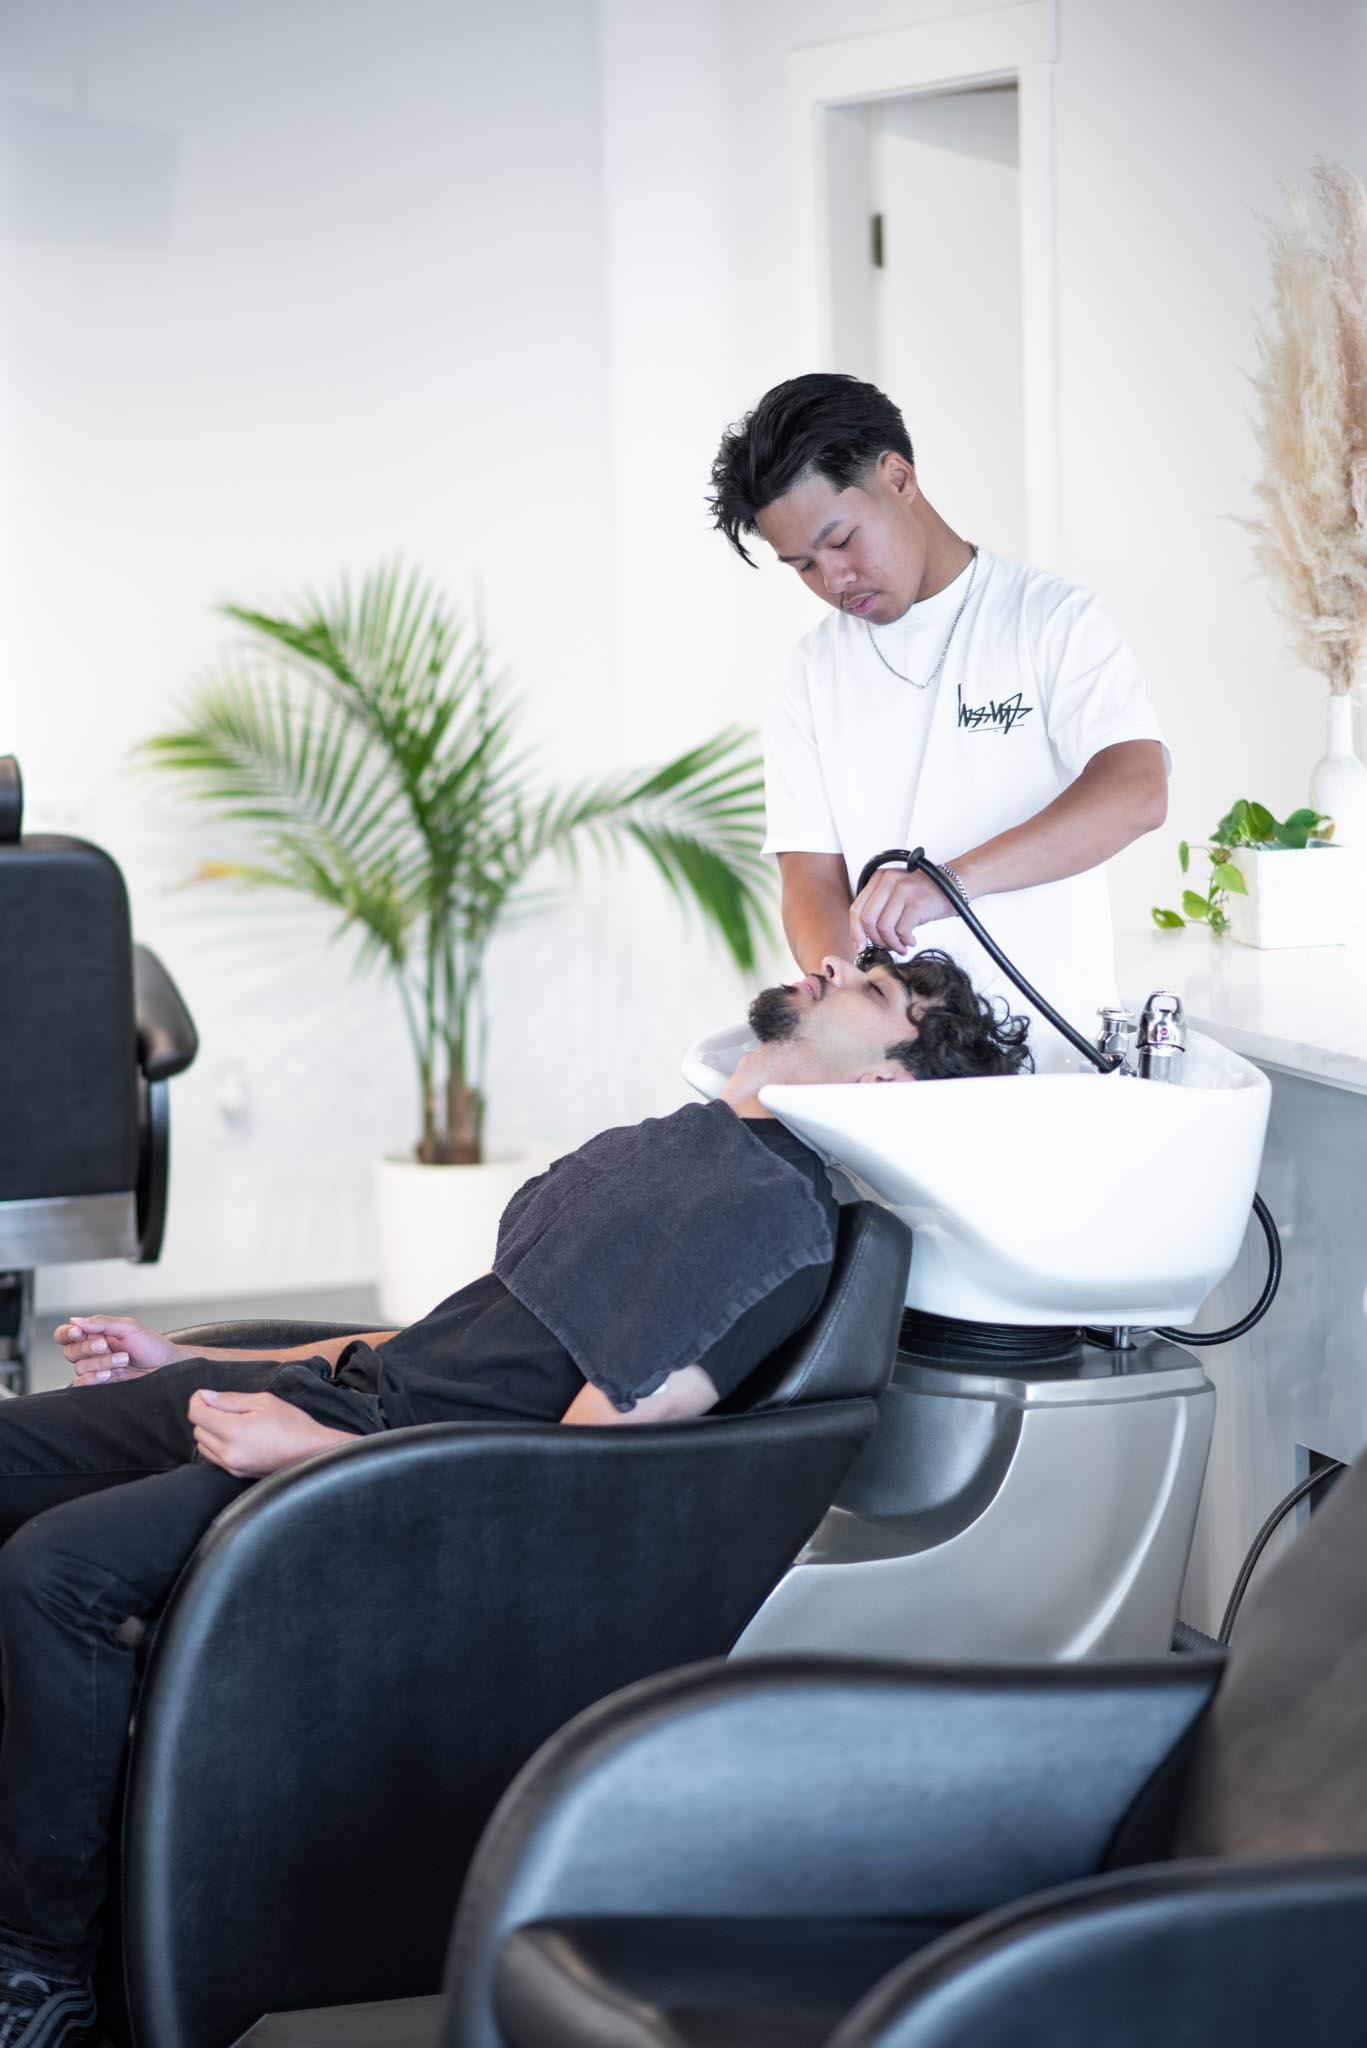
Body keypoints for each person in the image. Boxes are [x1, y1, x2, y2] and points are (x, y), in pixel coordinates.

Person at [0, 947, 1028, 2046]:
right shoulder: (671, 1146)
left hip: (378, 1479)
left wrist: (309, 1454)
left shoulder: (773, 1225)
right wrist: (188, 1361)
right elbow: (442, 1336)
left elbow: (576, 1473)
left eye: (872, 990)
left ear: (884, 1084)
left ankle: (46, 1971)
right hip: (329, 1406)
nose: (831, 966)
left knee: (59, 1570)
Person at [709, 372, 1170, 1039]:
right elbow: (809, 880)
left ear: (897, 478)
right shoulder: (809, 673)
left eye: (839, 542)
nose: (832, 580)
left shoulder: (1052, 620)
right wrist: (862, 1015)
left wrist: (946, 884)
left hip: (1056, 1056)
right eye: (802, 565)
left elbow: (1136, 794)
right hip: (905, 1070)